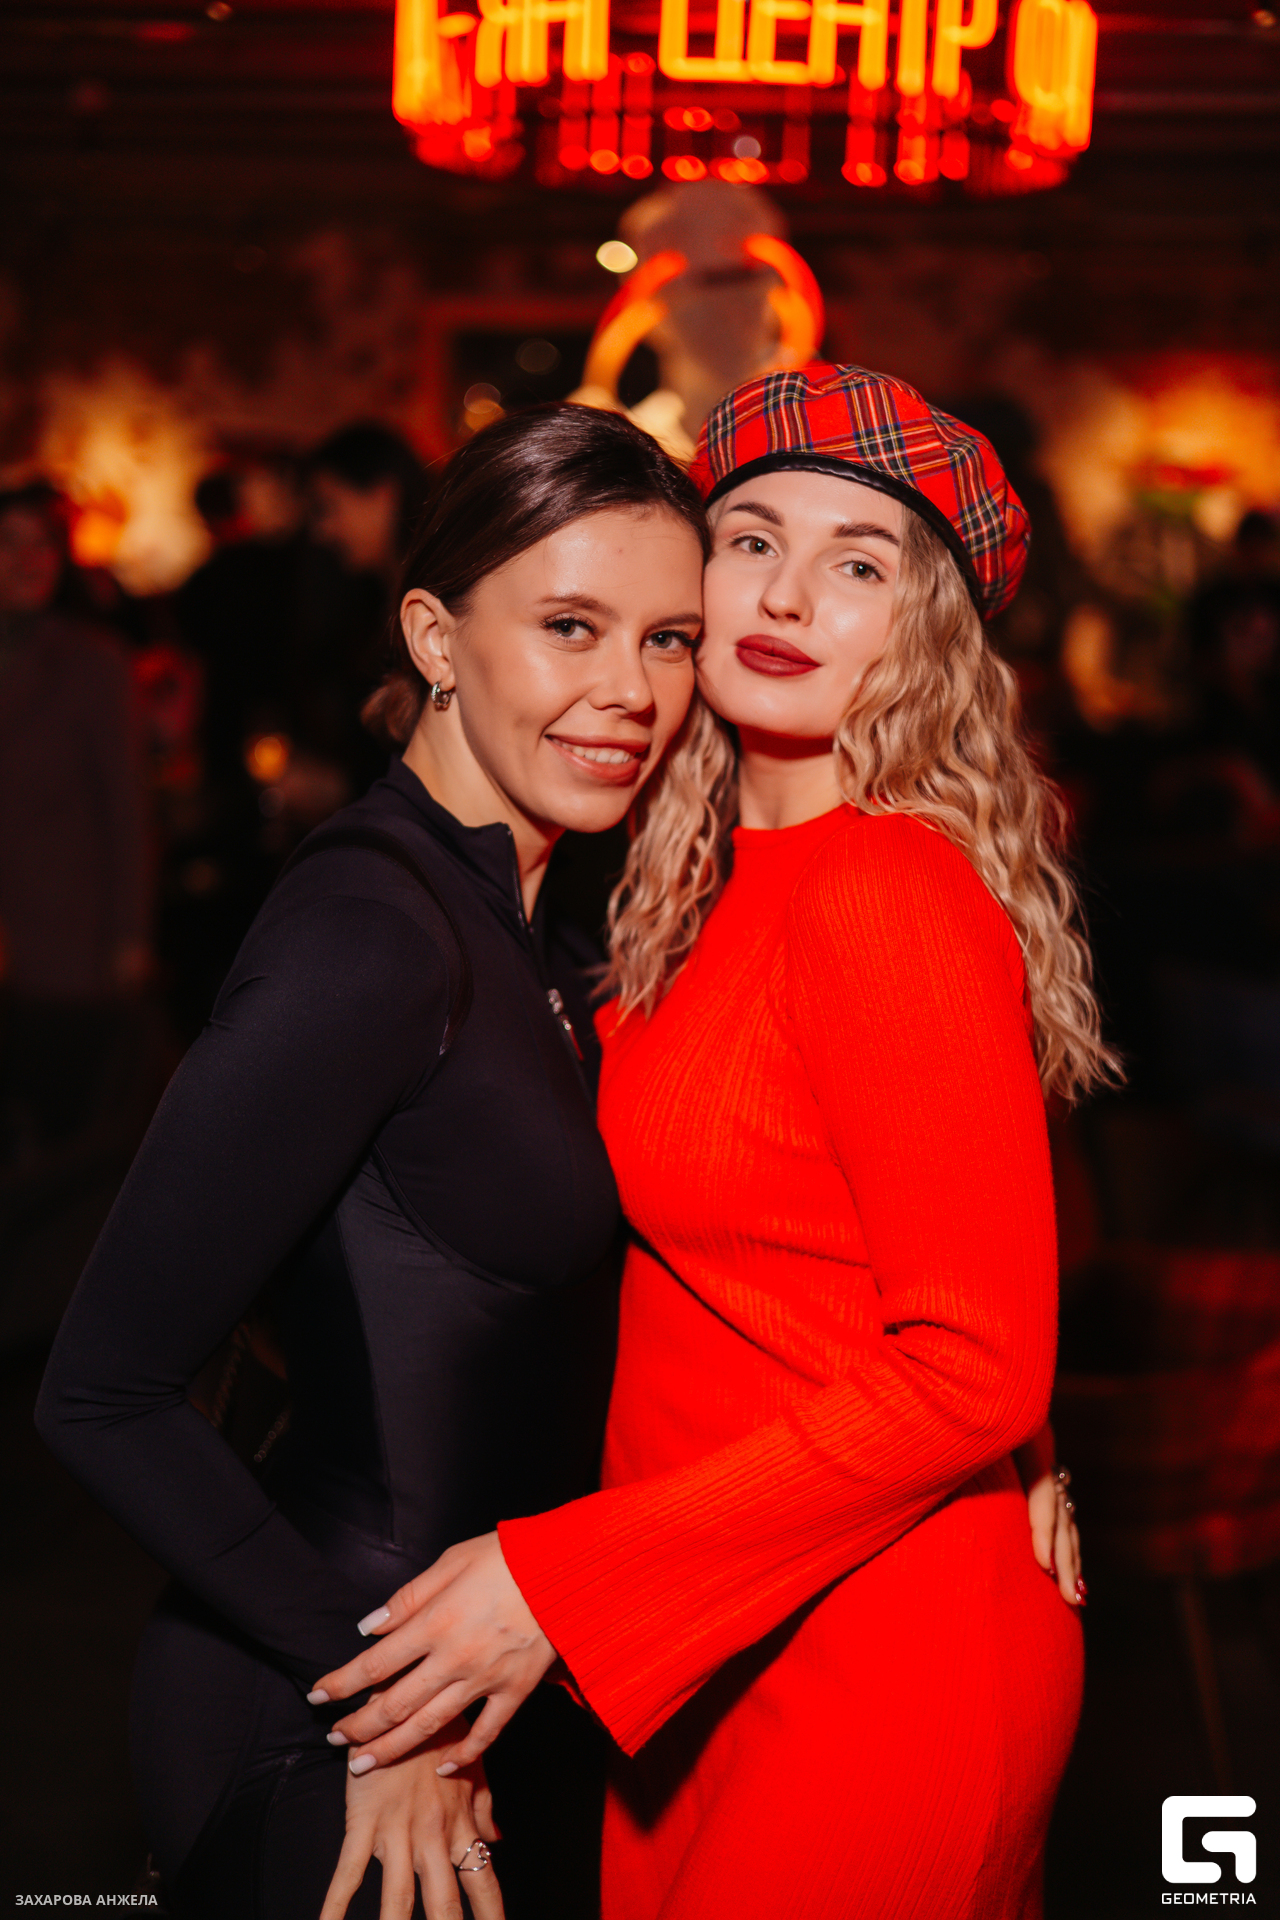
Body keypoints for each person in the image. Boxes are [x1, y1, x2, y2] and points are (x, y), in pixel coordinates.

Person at [311, 365, 1109, 1920]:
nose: (789, 595)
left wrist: (560, 1581)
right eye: (752, 541)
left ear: (925, 637)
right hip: (704, 1643)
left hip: (870, 1653)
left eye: (858, 564)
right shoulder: (691, 881)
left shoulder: (882, 889)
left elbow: (974, 1358)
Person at [35, 403, 709, 1920]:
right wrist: (383, 1704)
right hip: (335, 1716)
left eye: (668, 639)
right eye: (571, 626)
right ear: (435, 636)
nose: (630, 689)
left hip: (476, 1683)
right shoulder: (372, 934)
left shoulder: (536, 926)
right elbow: (103, 1391)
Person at [0, 482, 152, 1155]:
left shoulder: (93, 662)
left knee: (59, 1141)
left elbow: (125, 806)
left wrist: (129, 935)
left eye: (42, 544)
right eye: (9, 543)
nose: (28, 560)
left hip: (63, 945)